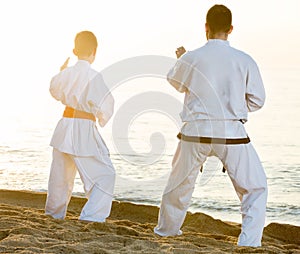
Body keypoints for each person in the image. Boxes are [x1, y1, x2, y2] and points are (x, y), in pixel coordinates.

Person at [154, 5, 268, 247]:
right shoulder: (244, 60)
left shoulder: (191, 57)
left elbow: (175, 82)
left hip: (194, 132)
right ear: (231, 29)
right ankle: (248, 243)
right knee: (254, 188)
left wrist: (184, 60)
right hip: (231, 134)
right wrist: (234, 104)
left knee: (179, 186)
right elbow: (258, 100)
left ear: (205, 27)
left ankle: (166, 231)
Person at [45, 31, 116, 222]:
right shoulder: (94, 76)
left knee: (60, 179)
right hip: (83, 128)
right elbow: (106, 106)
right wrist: (101, 118)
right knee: (106, 175)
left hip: (64, 126)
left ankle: (54, 215)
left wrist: (62, 72)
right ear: (95, 51)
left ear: (74, 50)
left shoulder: (65, 73)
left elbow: (54, 89)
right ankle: (91, 217)